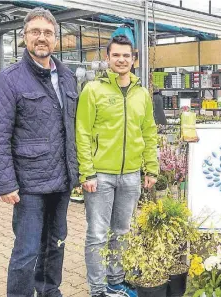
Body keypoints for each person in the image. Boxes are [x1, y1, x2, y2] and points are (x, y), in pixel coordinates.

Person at [0, 7, 79, 297]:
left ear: (56, 39)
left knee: (56, 243)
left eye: (48, 33)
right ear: (24, 36)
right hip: (29, 184)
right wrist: (5, 182)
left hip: (61, 179)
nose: (42, 38)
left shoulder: (67, 77)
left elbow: (74, 128)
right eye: (35, 32)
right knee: (26, 249)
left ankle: (49, 290)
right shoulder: (9, 79)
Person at [76, 35, 159, 297]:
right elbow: (83, 132)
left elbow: (148, 132)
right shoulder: (93, 90)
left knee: (121, 232)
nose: (121, 60)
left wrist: (151, 167)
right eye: (116, 55)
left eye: (126, 56)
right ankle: (98, 290)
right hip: (99, 175)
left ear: (133, 60)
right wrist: (87, 171)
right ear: (107, 58)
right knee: (98, 234)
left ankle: (115, 282)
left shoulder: (141, 94)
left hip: (131, 175)